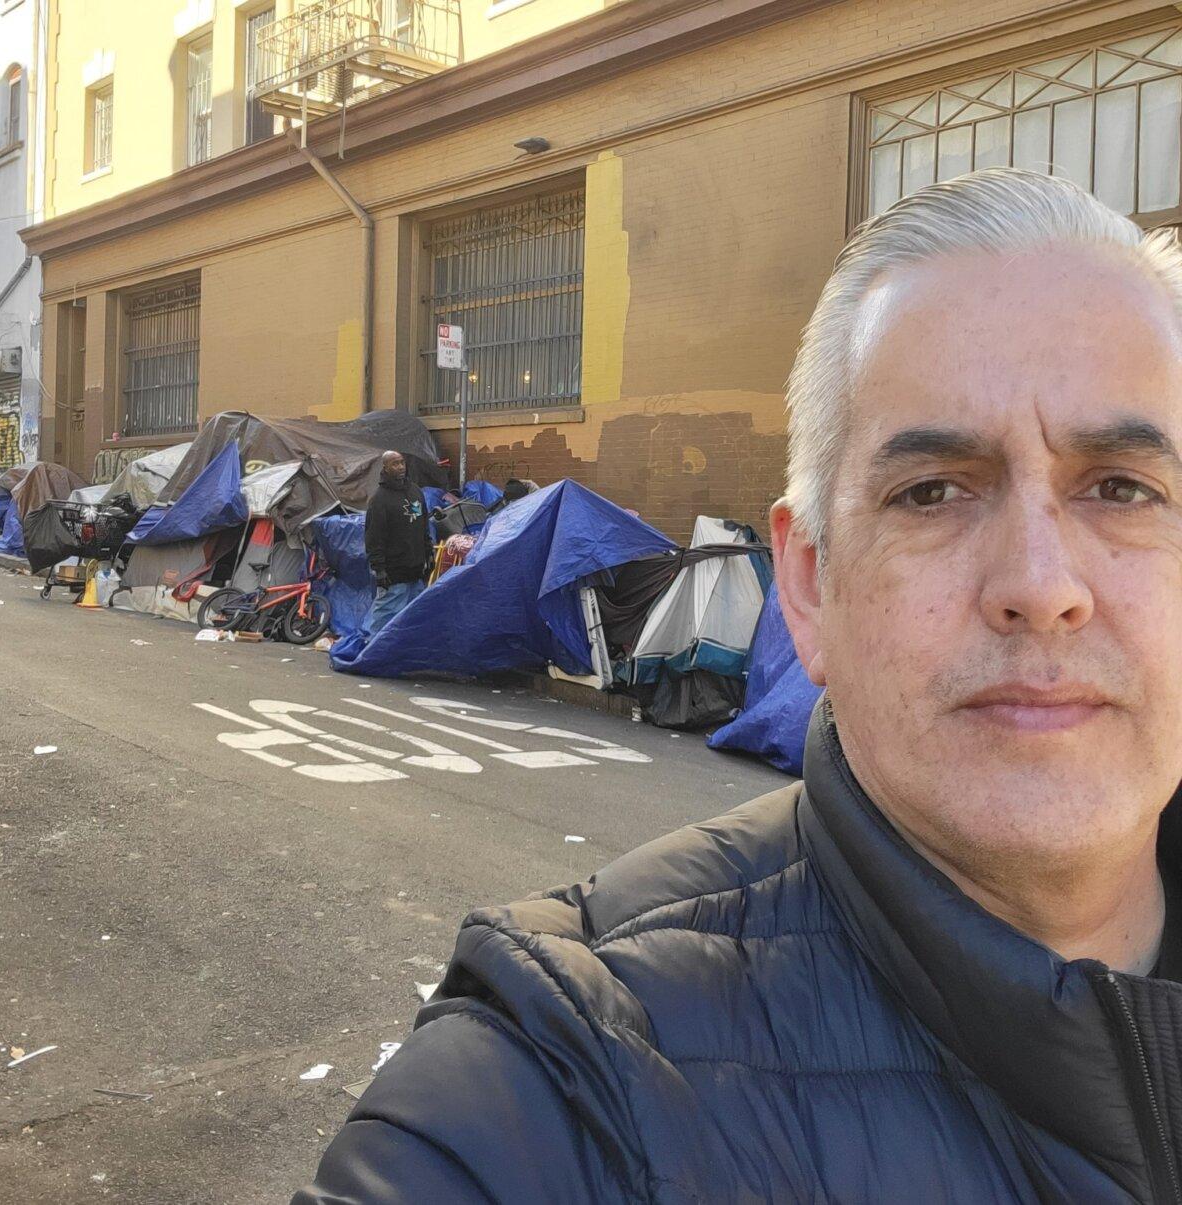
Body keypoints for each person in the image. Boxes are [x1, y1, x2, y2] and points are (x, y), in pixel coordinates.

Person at [292, 168, 1182, 1202]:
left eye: (1124, 488)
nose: (1041, 585)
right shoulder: (565, 1074)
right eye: (932, 491)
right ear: (808, 587)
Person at [363, 451, 430, 635]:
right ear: (385, 468)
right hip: (394, 574)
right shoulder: (380, 500)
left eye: (402, 463)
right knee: (385, 619)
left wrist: (428, 553)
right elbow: (374, 537)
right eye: (394, 464)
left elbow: (423, 526)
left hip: (415, 572)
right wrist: (380, 569)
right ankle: (373, 655)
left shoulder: (415, 492)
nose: (400, 467)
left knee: (413, 619)